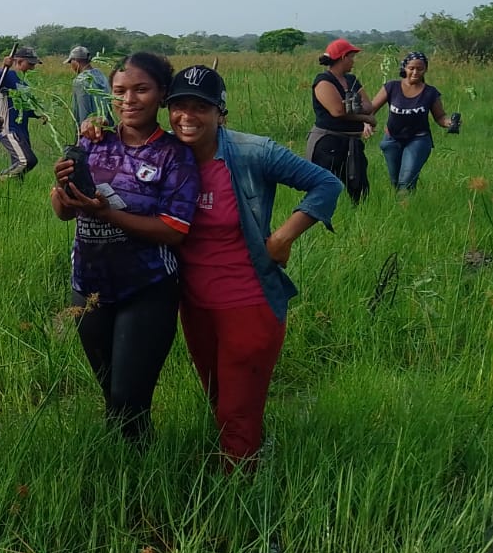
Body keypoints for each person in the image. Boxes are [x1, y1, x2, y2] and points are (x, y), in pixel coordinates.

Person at [165, 65, 342, 467]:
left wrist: (282, 238)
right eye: (178, 106)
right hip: (194, 305)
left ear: (220, 113)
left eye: (200, 107)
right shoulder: (167, 155)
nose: (187, 116)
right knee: (219, 399)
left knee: (237, 411)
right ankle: (245, 460)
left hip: (248, 303)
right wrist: (92, 129)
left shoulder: (252, 152)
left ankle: (240, 491)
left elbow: (326, 184)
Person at [51, 51, 197, 447]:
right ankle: (117, 467)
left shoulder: (174, 154)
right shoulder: (93, 140)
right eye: (120, 91)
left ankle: (146, 474)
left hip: (146, 288)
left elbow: (173, 231)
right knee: (111, 396)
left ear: (162, 94)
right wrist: (62, 188)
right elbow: (65, 213)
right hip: (89, 288)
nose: (129, 100)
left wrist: (107, 213)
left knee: (131, 401)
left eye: (141, 89)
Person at [364, 51, 456, 191]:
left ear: (425, 70)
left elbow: (440, 117)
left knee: (406, 182)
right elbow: (371, 110)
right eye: (411, 68)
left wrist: (449, 122)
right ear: (404, 68)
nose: (415, 72)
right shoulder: (391, 87)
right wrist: (366, 123)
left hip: (418, 139)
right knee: (395, 181)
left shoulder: (430, 92)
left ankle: (405, 202)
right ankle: (399, 203)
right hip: (392, 139)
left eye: (420, 69)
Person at [305, 38, 375, 205]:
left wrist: (353, 107)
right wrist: (366, 118)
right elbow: (337, 111)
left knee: (360, 188)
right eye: (351, 57)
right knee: (324, 186)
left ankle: (358, 214)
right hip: (328, 141)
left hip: (352, 141)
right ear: (343, 57)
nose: (353, 62)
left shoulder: (351, 80)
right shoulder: (324, 81)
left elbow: (368, 105)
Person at [0, 46, 44, 179]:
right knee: (27, 161)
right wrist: (3, 68)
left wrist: (38, 114)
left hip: (22, 130)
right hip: (8, 128)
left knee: (19, 168)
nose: (32, 68)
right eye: (30, 64)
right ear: (18, 62)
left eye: (34, 65)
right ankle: (2, 178)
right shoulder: (7, 75)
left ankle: (15, 188)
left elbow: (24, 107)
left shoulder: (25, 82)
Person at [66, 46, 113, 136]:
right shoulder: (102, 76)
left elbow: (83, 110)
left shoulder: (80, 81)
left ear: (75, 61)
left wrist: (81, 134)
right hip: (107, 129)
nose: (71, 66)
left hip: (90, 132)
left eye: (70, 62)